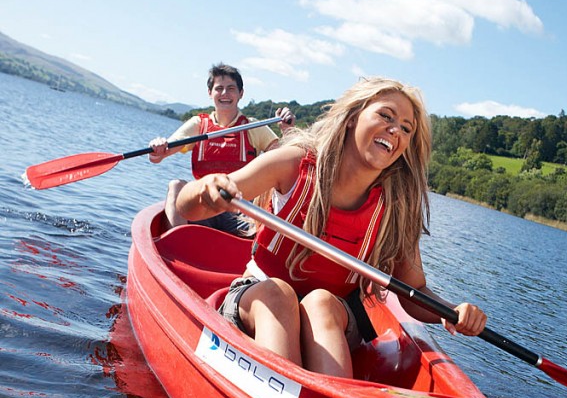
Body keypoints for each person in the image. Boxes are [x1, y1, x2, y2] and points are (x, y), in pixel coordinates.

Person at [175, 76, 487, 378]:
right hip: (258, 297)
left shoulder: (397, 208)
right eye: (386, 115)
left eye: (406, 129)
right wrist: (206, 189)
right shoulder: (294, 164)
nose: (395, 130)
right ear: (352, 117)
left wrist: (453, 311)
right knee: (278, 294)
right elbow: (186, 205)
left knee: (321, 302)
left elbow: (413, 292)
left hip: (334, 318)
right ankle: (285, 392)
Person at [148, 62, 294, 235]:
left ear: (240, 93)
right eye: (219, 88)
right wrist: (158, 148)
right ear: (210, 93)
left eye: (231, 88)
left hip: (240, 209)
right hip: (203, 205)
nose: (225, 93)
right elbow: (160, 155)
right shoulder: (198, 124)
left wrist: (288, 131)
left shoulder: (253, 127)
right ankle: (176, 242)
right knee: (176, 185)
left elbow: (285, 162)